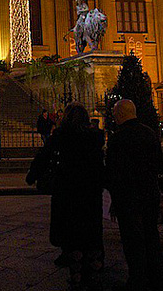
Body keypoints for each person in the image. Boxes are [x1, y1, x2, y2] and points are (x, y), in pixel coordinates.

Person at [27, 103, 104, 290]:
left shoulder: (60, 136)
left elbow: (43, 156)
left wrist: (32, 176)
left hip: (67, 190)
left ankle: (76, 272)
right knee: (90, 228)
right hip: (90, 191)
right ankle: (92, 269)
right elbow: (100, 163)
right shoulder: (95, 137)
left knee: (71, 231)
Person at [107, 99, 163, 291]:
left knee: (132, 240)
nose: (114, 117)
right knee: (151, 235)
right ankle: (157, 275)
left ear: (121, 115)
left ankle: (138, 277)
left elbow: (113, 172)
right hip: (149, 193)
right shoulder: (149, 133)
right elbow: (158, 163)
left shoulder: (117, 138)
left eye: (115, 114)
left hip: (128, 197)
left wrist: (114, 199)